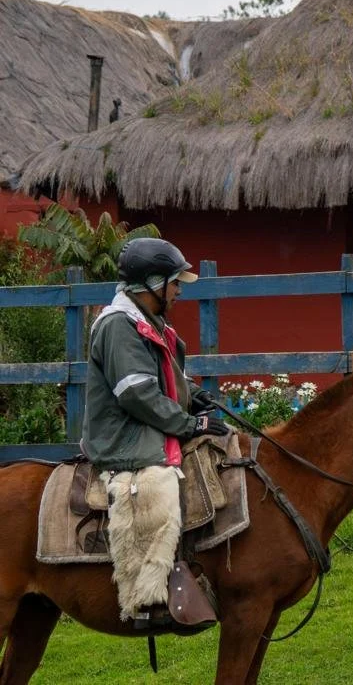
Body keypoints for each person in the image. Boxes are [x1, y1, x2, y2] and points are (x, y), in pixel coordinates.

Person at [83, 237, 229, 627]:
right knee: (158, 484)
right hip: (126, 435)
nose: (179, 290)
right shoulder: (117, 326)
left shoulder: (153, 324)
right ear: (150, 283)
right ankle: (146, 597)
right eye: (174, 282)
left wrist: (199, 399)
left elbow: (171, 382)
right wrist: (188, 423)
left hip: (147, 421)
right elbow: (137, 394)